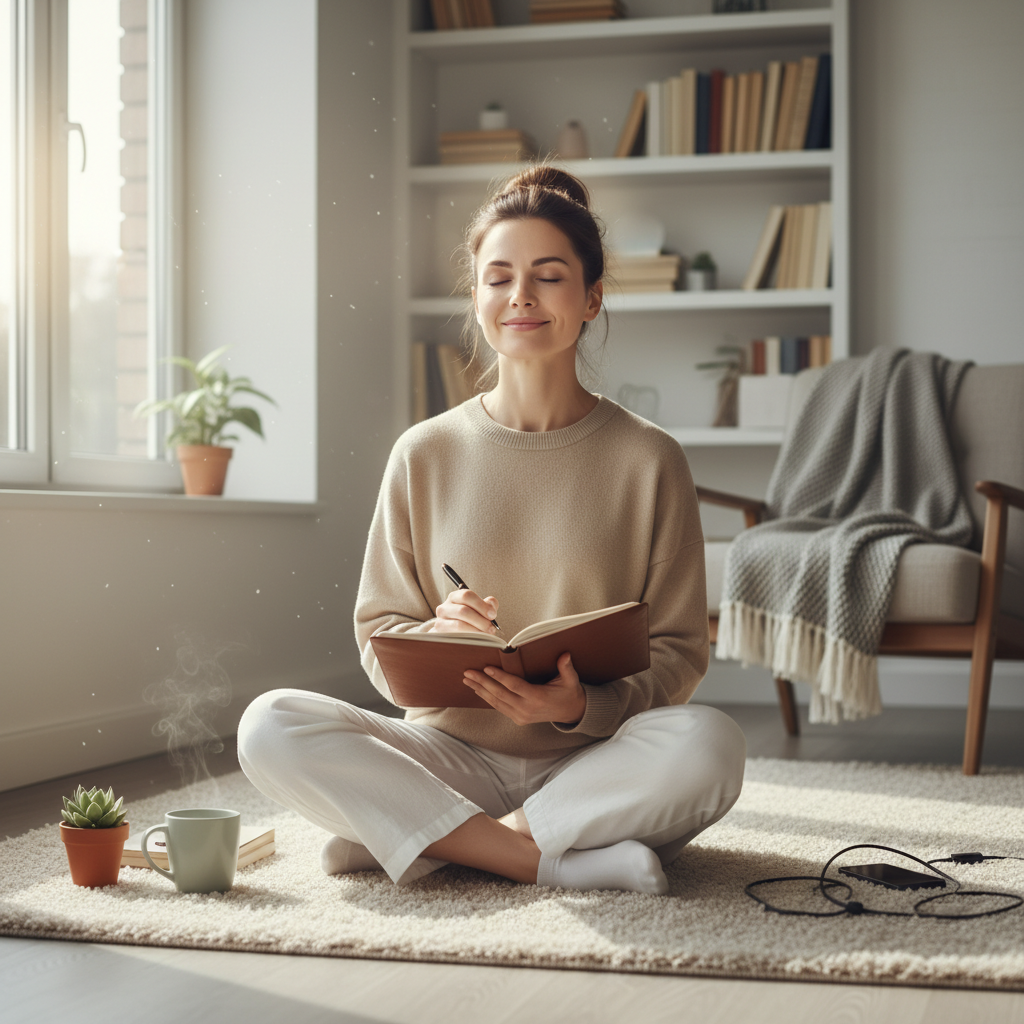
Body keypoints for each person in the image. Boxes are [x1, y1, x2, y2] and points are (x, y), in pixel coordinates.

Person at [237, 166, 746, 895]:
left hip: (593, 761)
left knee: (712, 745)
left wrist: (579, 706)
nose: (521, 297)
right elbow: (379, 631)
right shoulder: (424, 452)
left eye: (548, 276)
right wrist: (432, 637)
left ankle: (426, 838)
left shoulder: (649, 457)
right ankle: (534, 858)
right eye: (498, 277)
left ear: (592, 298)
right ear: (477, 298)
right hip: (447, 756)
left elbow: (679, 654)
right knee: (269, 724)